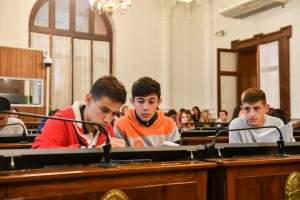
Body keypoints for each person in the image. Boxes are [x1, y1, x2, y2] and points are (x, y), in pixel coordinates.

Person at [32, 75, 127, 148]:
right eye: (104, 110)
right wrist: (95, 150)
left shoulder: (106, 127)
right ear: (89, 99)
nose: (108, 120)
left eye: (114, 113)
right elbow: (38, 151)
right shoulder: (61, 120)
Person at [114, 76, 181, 147]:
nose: (146, 108)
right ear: (132, 101)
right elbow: (121, 156)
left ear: (159, 102)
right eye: (140, 101)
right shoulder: (121, 125)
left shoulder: (169, 124)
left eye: (151, 102)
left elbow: (179, 155)